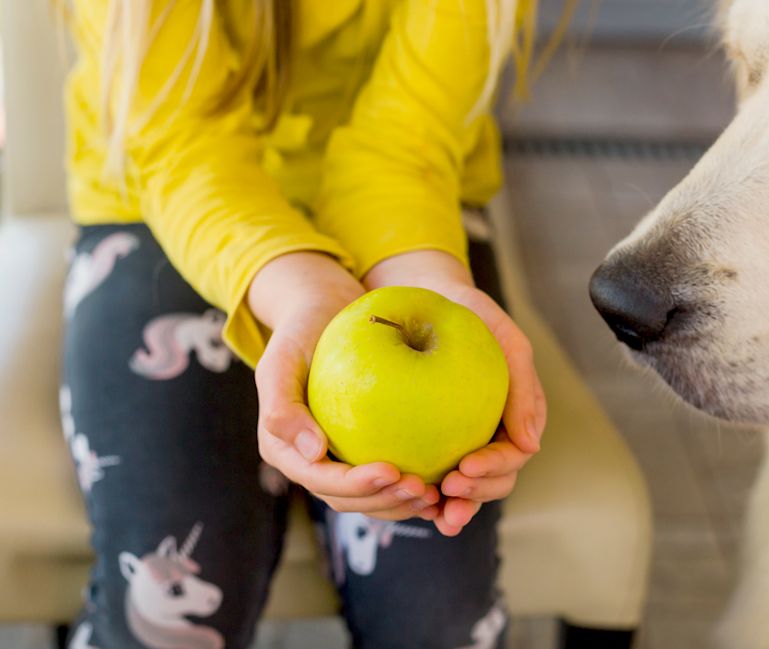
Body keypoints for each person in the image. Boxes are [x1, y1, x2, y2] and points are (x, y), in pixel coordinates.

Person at [59, 1, 547, 647]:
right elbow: (179, 145)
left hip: (412, 219)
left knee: (438, 622)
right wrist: (300, 288)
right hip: (165, 209)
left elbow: (408, 142)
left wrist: (433, 287)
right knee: (168, 618)